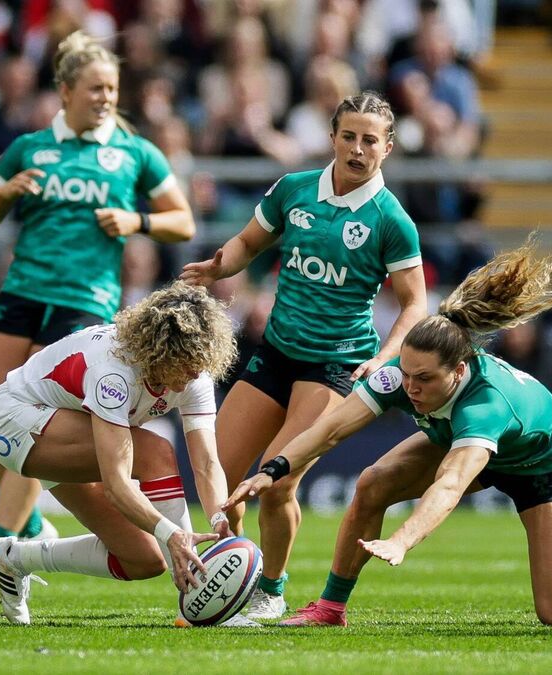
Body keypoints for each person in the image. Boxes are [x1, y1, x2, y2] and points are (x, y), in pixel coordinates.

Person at [224, 239, 552, 629]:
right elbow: (330, 429)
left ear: (457, 371)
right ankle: (330, 607)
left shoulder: (485, 407)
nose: (411, 388)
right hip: (457, 438)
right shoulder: (402, 375)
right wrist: (273, 470)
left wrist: (402, 540)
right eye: (406, 374)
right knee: (373, 483)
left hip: (538, 461)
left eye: (424, 379)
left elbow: (450, 485)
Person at [0, 31, 198, 592]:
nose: (106, 98)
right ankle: (31, 525)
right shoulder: (30, 148)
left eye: (111, 88)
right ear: (65, 91)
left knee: (35, 409)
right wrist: (6, 192)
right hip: (22, 290)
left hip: (83, 299)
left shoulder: (135, 152)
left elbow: (182, 220)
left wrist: (138, 222)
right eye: (95, 88)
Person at [180, 91, 427, 620]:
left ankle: (271, 592)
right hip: (276, 352)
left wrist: (385, 357)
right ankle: (235, 580)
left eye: (369, 141)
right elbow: (249, 242)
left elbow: (414, 305)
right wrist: (220, 267)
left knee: (276, 483)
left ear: (387, 147)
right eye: (348, 136)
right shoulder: (294, 189)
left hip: (335, 365)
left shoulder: (391, 220)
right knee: (219, 481)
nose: (357, 149)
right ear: (332, 137)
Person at [0, 282, 242, 626]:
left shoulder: (195, 376)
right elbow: (118, 485)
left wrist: (219, 518)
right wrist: (173, 535)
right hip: (15, 419)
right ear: (162, 351)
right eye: (186, 362)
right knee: (156, 453)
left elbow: (206, 463)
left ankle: (12, 559)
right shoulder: (115, 371)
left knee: (143, 560)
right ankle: (197, 592)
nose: (194, 374)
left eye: (200, 363)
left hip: (64, 427)